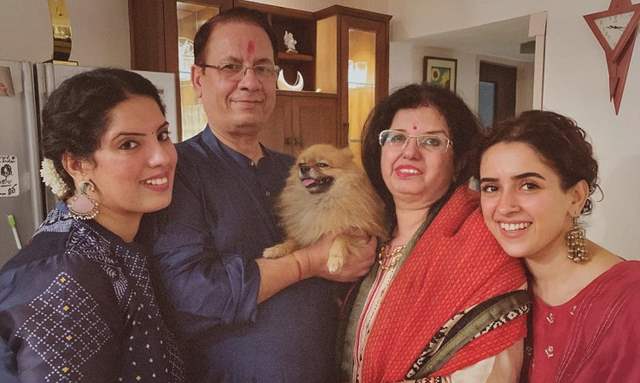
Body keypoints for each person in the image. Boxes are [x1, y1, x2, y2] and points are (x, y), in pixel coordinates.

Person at [140, 7, 375, 382]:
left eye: (264, 68)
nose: (250, 82)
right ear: (198, 79)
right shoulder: (177, 172)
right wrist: (307, 262)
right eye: (231, 67)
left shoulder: (296, 170)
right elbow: (192, 297)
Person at [0, 68, 184, 382]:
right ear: (76, 164)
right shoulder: (66, 272)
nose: (162, 157)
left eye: (162, 136)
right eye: (128, 144)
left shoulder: (109, 241)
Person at [341, 83, 529, 383]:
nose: (409, 152)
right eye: (397, 138)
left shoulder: (482, 241)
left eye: (431, 142)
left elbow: (488, 370)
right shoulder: (365, 234)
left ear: (458, 163)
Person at [478, 110, 640, 382]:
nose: (505, 207)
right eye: (491, 188)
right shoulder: (495, 283)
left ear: (576, 197)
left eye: (528, 186)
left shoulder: (631, 298)